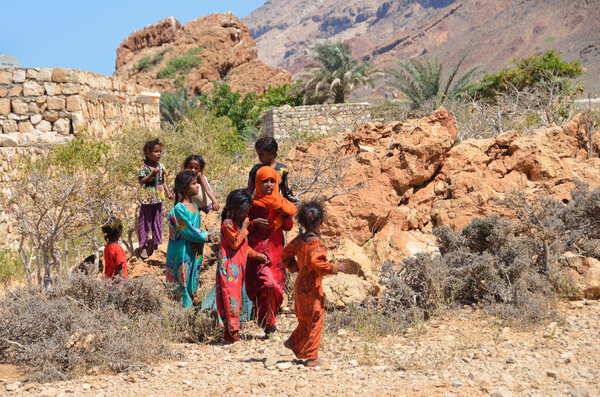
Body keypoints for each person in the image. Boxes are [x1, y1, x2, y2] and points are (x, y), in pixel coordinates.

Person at [281, 200, 350, 369]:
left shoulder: (298, 240)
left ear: (301, 222)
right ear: (321, 222)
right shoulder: (316, 244)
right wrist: (334, 267)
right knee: (316, 320)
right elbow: (316, 263)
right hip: (312, 288)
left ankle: (294, 341)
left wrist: (293, 267)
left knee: (305, 319)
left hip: (299, 287)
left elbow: (285, 253)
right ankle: (311, 357)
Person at [246, 166, 297, 336]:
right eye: (264, 181)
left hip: (277, 252)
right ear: (257, 183)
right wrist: (254, 224)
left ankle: (268, 321)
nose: (268, 185)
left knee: (277, 289)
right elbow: (242, 227)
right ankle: (268, 322)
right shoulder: (251, 205)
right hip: (258, 252)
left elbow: (289, 227)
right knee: (266, 284)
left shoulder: (282, 204)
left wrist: (283, 214)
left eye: (272, 181)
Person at [216, 189, 267, 343]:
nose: (246, 215)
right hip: (229, 270)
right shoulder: (228, 224)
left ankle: (232, 335)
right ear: (234, 209)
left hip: (237, 270)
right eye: (244, 211)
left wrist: (256, 255)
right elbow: (235, 242)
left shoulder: (237, 224)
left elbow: (243, 246)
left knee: (235, 300)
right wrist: (246, 228)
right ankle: (232, 335)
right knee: (231, 300)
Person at [166, 171, 216, 308]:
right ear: (184, 188)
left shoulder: (194, 206)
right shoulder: (179, 209)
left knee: (191, 281)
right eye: (194, 183)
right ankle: (182, 314)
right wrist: (212, 236)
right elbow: (189, 232)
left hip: (193, 251)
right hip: (181, 253)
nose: (198, 186)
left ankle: (192, 311)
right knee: (181, 281)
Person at [138, 138, 173, 259]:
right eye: (155, 151)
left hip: (158, 198)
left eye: (160, 151)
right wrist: (151, 175)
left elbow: (163, 181)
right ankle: (143, 245)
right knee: (145, 221)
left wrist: (168, 192)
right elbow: (141, 181)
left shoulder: (161, 166)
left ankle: (157, 243)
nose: (159, 154)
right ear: (148, 153)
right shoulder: (144, 168)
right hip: (147, 199)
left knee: (157, 220)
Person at [247, 136, 294, 201]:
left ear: (272, 152)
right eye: (258, 154)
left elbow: (285, 191)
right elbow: (249, 190)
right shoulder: (255, 169)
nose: (259, 157)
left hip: (275, 206)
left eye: (261, 154)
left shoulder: (282, 170)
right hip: (258, 206)